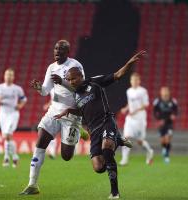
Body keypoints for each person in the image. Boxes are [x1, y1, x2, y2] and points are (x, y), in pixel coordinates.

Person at [54, 51, 146, 199]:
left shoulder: (94, 82)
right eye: (69, 80)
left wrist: (130, 63)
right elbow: (82, 111)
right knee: (98, 167)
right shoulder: (75, 95)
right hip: (94, 131)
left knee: (107, 150)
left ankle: (114, 192)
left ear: (81, 77)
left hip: (106, 121)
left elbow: (117, 75)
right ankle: (117, 140)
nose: (71, 82)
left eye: (73, 79)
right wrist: (69, 110)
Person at [20, 40, 85, 195]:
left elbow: (82, 88)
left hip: (71, 114)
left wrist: (62, 82)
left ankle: (79, 131)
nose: (57, 51)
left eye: (61, 49)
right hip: (54, 111)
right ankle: (32, 184)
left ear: (67, 52)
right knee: (40, 141)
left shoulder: (75, 66)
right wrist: (38, 88)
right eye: (55, 48)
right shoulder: (51, 67)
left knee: (66, 156)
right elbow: (45, 91)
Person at [0, 68, 27, 167]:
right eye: (7, 75)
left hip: (13, 114)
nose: (9, 77)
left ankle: (9, 158)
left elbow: (24, 99)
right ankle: (12, 157)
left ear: (13, 77)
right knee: (6, 136)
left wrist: (20, 105)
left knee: (7, 135)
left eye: (11, 75)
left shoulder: (17, 89)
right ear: (4, 76)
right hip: (2, 114)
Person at [119, 73, 154, 166]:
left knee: (140, 141)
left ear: (139, 81)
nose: (134, 82)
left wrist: (135, 111)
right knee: (126, 138)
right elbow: (130, 102)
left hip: (140, 119)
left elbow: (146, 104)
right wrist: (126, 109)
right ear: (130, 81)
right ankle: (124, 159)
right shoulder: (129, 91)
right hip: (130, 118)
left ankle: (149, 151)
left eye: (136, 80)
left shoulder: (143, 91)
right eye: (132, 80)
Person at [153, 86, 178, 163]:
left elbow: (176, 111)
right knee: (162, 140)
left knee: (167, 138)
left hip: (169, 123)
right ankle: (164, 149)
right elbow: (154, 112)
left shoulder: (173, 101)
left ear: (168, 92)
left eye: (166, 91)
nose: (164, 93)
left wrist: (174, 115)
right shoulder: (157, 101)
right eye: (163, 91)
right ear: (161, 93)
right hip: (161, 123)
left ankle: (166, 156)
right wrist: (158, 120)